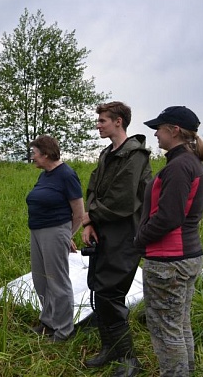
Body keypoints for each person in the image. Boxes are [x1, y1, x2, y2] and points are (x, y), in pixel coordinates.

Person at [136, 106, 203, 377]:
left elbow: (169, 217)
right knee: (178, 325)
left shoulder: (179, 166)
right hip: (185, 256)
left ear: (174, 130)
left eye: (160, 127)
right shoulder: (190, 162)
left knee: (166, 329)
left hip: (169, 261)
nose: (155, 133)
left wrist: (139, 239)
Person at [80, 102, 152, 376]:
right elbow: (93, 188)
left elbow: (122, 201)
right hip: (104, 233)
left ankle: (129, 360)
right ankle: (110, 349)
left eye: (102, 121)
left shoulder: (135, 156)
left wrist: (90, 216)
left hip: (124, 236)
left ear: (118, 122)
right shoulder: (107, 153)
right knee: (100, 291)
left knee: (112, 295)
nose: (98, 125)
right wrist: (90, 224)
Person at [25, 135, 84, 342]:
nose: (33, 157)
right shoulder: (45, 175)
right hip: (38, 231)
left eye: (35, 153)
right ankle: (48, 322)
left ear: (46, 154)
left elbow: (78, 213)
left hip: (55, 231)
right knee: (40, 279)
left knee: (57, 281)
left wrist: (67, 235)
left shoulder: (66, 174)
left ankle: (64, 330)